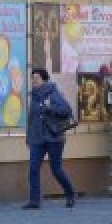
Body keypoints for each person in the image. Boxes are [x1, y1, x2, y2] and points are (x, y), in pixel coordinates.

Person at [23, 68, 77, 209]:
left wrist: (49, 108)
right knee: (33, 169)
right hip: (37, 138)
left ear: (44, 79)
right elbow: (31, 118)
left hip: (54, 138)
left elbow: (66, 110)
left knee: (56, 170)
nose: (34, 80)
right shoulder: (33, 96)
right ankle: (34, 201)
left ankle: (70, 194)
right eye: (32, 78)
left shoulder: (53, 93)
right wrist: (28, 137)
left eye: (37, 78)